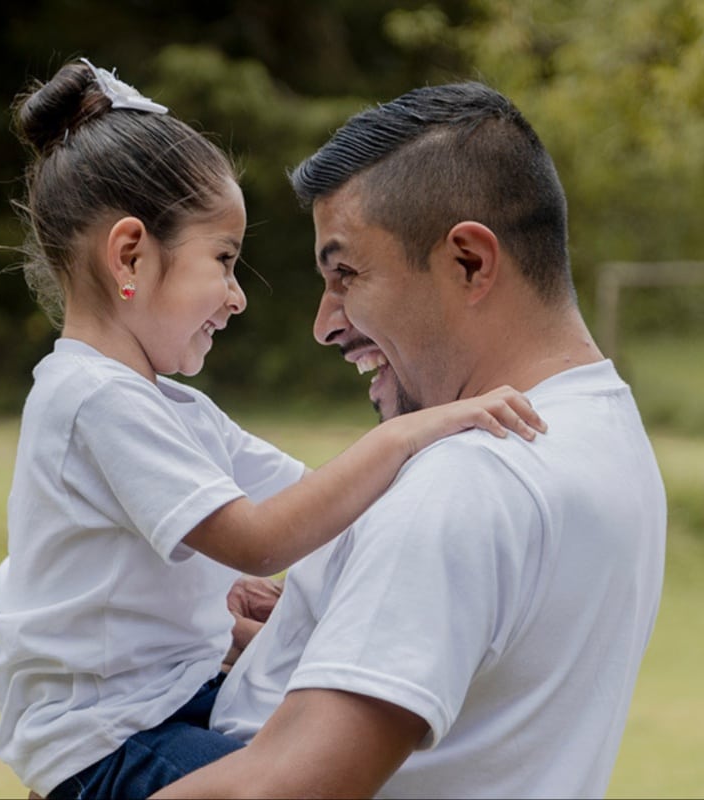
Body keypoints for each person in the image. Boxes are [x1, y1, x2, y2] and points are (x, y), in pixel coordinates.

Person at [0, 62, 549, 800]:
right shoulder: (91, 399)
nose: (237, 297)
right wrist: (413, 431)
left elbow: (314, 501)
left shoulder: (169, 409)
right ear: (129, 255)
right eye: (222, 260)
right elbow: (259, 537)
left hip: (173, 709)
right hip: (109, 744)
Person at [152, 81, 668, 799]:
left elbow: (277, 790)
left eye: (347, 274)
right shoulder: (606, 434)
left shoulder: (467, 480)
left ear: (469, 262)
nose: (326, 324)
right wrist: (323, 633)